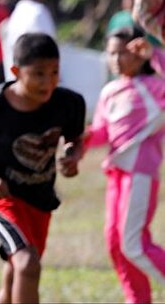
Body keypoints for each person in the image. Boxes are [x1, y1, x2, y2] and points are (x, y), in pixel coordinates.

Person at [0, 33, 85, 304]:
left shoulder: (68, 103)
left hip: (38, 198)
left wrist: (73, 155)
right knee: (27, 263)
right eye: (39, 74)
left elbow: (75, 138)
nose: (48, 81)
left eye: (54, 72)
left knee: (16, 269)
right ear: (16, 72)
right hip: (0, 197)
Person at [83, 26, 165, 304]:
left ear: (138, 54)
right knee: (116, 244)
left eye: (124, 53)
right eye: (111, 53)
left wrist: (156, 55)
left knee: (134, 244)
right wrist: (77, 140)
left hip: (140, 173)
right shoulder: (110, 91)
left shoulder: (155, 87)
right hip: (116, 174)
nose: (117, 60)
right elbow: (101, 132)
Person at [2, 0, 56, 79]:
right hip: (38, 80)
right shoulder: (37, 11)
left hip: (19, 81)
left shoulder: (16, 14)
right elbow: (47, 49)